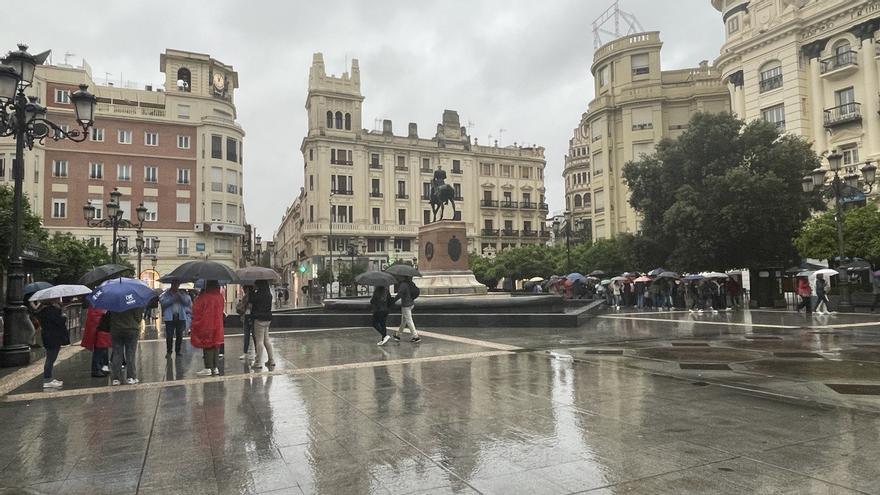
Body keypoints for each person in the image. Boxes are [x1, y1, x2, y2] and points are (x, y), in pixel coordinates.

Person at [191, 280, 225, 376]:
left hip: (206, 323)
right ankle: (215, 367)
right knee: (216, 344)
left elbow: (196, 309)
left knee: (207, 344)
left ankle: (208, 367)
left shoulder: (204, 297)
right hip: (218, 324)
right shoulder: (220, 297)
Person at [105, 306, 144, 385]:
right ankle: (131, 377)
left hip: (116, 329)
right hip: (131, 328)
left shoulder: (113, 301)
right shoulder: (133, 301)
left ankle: (116, 379)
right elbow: (138, 317)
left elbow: (109, 315)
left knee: (117, 353)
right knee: (130, 353)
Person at [36, 298, 68, 389]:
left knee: (50, 358)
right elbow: (59, 322)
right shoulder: (52, 310)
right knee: (50, 359)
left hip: (47, 336)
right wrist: (63, 315)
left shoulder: (42, 310)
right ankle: (47, 380)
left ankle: (49, 378)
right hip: (54, 337)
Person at [159, 280, 192, 358]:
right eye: (174, 284)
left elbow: (187, 303)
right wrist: (173, 299)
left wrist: (180, 297)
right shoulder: (166, 294)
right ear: (172, 284)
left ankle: (178, 351)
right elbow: (163, 303)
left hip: (180, 317)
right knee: (169, 335)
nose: (176, 286)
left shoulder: (182, 293)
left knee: (179, 335)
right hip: (170, 318)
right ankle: (169, 351)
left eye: (177, 284)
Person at [249, 280, 276, 370]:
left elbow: (251, 301)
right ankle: (271, 360)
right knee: (266, 340)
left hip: (259, 319)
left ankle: (258, 362)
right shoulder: (269, 295)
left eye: (256, 284)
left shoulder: (258, 295)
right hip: (268, 318)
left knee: (259, 341)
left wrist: (252, 291)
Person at [81, 300, 110, 377]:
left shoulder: (99, 305)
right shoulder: (96, 306)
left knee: (102, 350)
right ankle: (96, 369)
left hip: (103, 331)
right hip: (99, 331)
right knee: (99, 351)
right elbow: (95, 318)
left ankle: (100, 368)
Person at [393, 276, 421, 343]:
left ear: (403, 277)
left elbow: (399, 294)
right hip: (411, 303)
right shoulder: (411, 283)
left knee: (409, 321)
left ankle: (416, 337)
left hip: (406, 305)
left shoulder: (403, 284)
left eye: (400, 277)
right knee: (404, 321)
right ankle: (398, 335)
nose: (399, 278)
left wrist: (393, 301)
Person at [236, 288, 255, 360]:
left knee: (250, 336)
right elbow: (242, 307)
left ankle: (246, 353)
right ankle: (249, 353)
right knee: (250, 336)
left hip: (250, 318)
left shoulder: (252, 297)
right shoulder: (246, 297)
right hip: (249, 318)